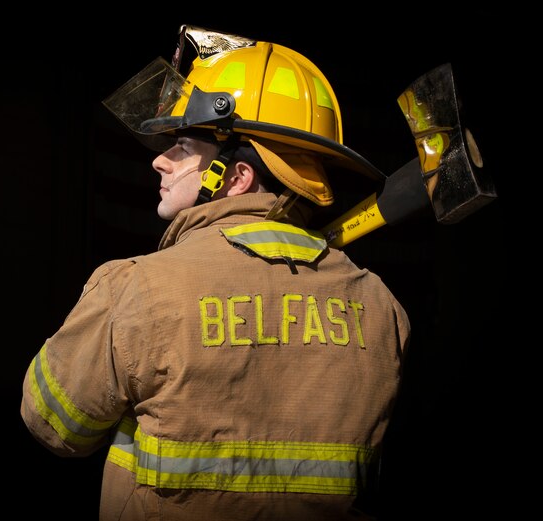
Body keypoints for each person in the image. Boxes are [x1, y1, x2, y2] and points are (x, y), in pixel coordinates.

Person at [21, 25, 410, 521]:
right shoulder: (379, 305)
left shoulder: (137, 287)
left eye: (181, 147)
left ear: (236, 177)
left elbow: (55, 425)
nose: (159, 161)